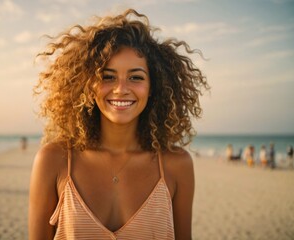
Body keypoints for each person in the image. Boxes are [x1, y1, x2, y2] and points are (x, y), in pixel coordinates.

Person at [29, 9, 209, 240]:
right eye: (107, 76)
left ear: (153, 87)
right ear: (88, 86)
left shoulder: (177, 165)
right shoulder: (54, 160)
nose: (121, 89)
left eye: (135, 77)